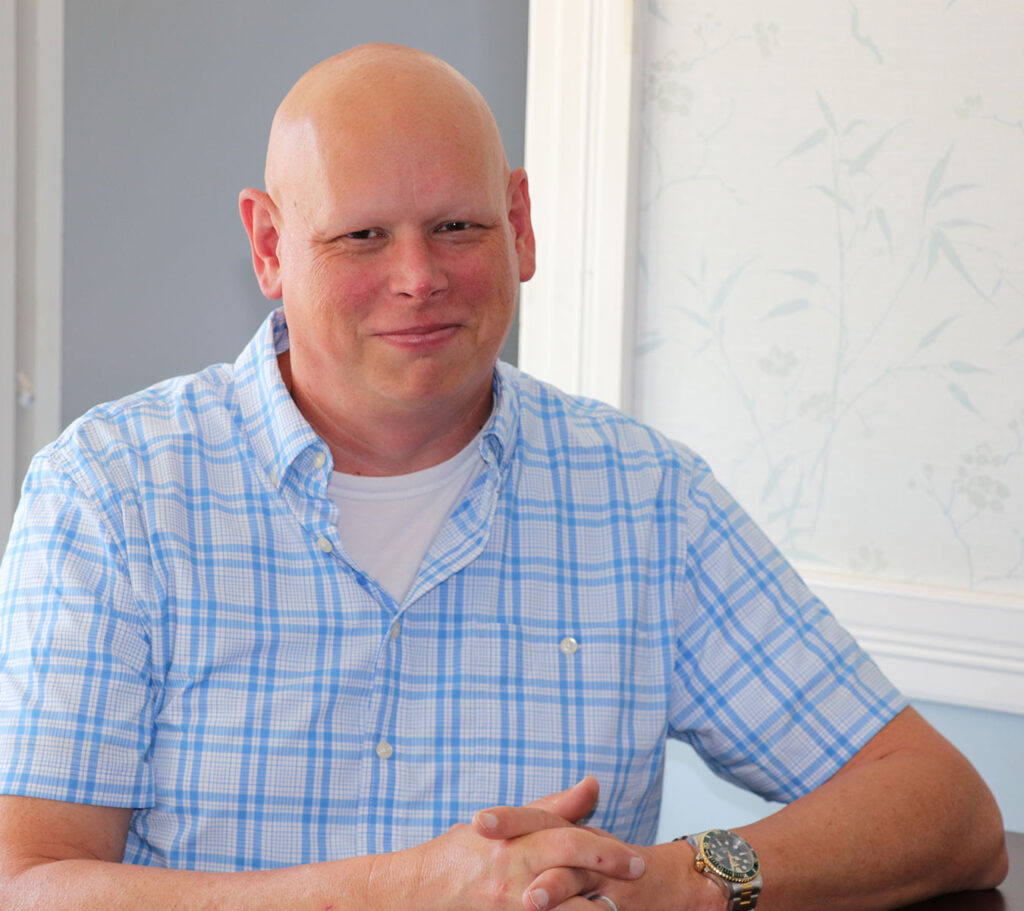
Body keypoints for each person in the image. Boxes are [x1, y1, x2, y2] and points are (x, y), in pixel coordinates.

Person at [0, 43, 1008, 911]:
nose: (418, 278)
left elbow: (947, 807)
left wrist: (674, 879)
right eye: (361, 235)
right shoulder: (110, 494)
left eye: (458, 227)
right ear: (269, 244)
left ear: (520, 224)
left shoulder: (646, 500)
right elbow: (26, 878)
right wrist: (398, 889)